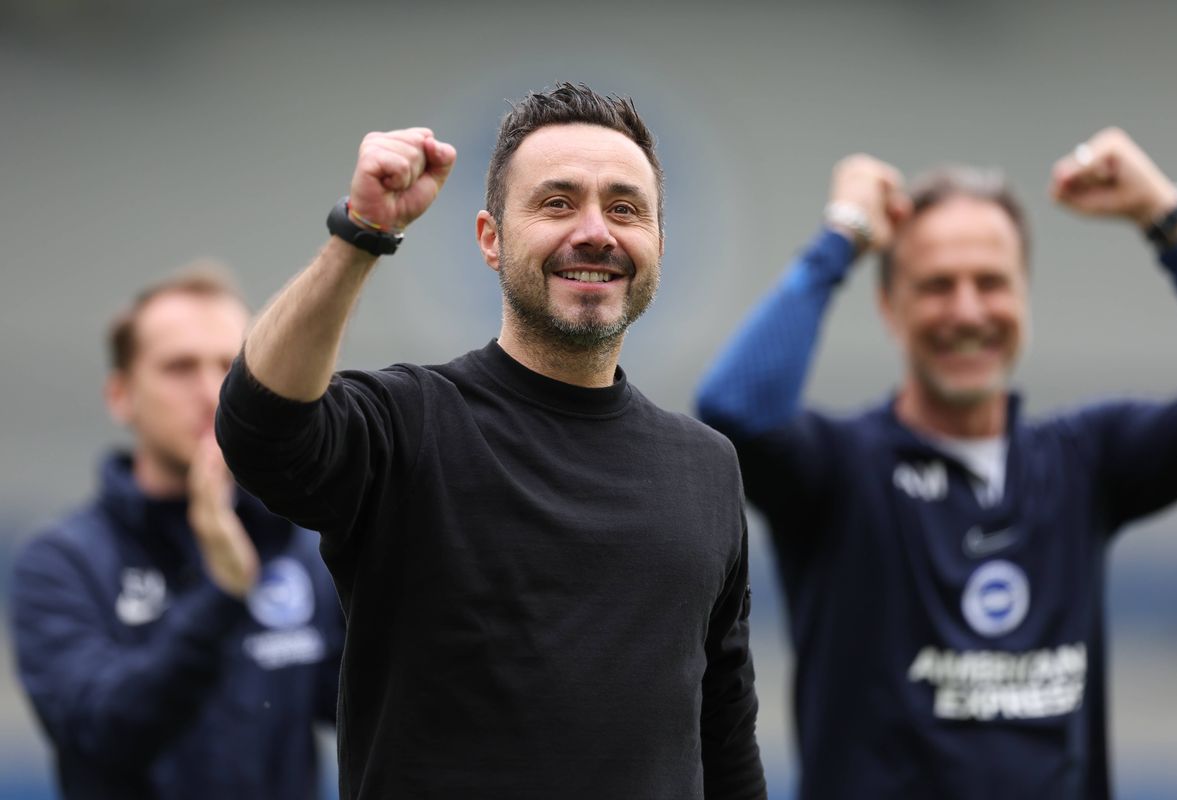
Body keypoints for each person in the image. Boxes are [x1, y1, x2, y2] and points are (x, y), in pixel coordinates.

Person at [213, 84, 765, 800]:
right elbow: (259, 428)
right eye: (557, 203)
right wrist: (359, 235)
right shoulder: (407, 424)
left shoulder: (706, 467)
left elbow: (724, 742)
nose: (595, 231)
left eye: (625, 208)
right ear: (490, 239)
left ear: (658, 244)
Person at [695, 127, 1177, 799]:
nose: (967, 311)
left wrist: (1169, 221)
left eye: (990, 282)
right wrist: (839, 239)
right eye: (937, 285)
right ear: (888, 306)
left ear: (1024, 296)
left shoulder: (1086, 461)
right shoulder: (841, 471)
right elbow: (733, 408)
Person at [11, 268, 345, 800]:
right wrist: (222, 592)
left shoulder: (299, 546)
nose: (212, 391)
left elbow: (379, 709)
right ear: (121, 395)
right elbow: (103, 734)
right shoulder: (63, 562)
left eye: (230, 367)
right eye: (179, 367)